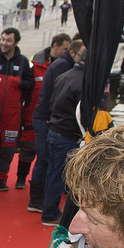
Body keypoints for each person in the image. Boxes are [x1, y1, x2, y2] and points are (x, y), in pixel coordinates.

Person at [0, 27, 37, 190]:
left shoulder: (23, 62)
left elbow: (30, 85)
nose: (4, 43)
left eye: (8, 40)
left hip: (12, 114)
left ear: (16, 42)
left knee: (8, 148)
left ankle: (0, 179)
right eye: (3, 39)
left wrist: (18, 83)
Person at [26, 32, 74, 213]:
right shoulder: (59, 66)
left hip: (46, 115)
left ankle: (42, 197)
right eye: (65, 48)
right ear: (55, 46)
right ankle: (37, 199)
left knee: (46, 159)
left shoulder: (57, 65)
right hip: (45, 116)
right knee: (44, 158)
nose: (67, 52)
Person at [42, 39, 89, 223]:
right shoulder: (84, 83)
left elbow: (52, 101)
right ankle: (50, 213)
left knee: (52, 173)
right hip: (67, 134)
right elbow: (82, 113)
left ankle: (49, 209)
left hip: (55, 129)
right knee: (59, 175)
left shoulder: (64, 76)